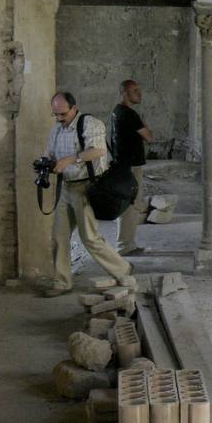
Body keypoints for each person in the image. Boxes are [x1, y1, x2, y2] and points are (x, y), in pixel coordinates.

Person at [42, 91, 133, 298]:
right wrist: (45, 164)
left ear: (73, 108)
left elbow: (98, 151)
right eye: (55, 115)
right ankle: (62, 282)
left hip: (86, 187)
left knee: (89, 237)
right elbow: (50, 154)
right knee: (59, 236)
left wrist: (71, 159)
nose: (59, 119)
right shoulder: (56, 129)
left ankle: (122, 269)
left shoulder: (90, 123)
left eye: (62, 114)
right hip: (65, 186)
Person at [110, 79, 154, 256]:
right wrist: (145, 127)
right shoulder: (129, 113)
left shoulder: (116, 111)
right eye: (135, 90)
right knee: (131, 204)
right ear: (124, 93)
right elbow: (149, 136)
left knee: (128, 203)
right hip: (130, 166)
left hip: (122, 165)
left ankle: (126, 243)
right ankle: (125, 246)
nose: (139, 94)